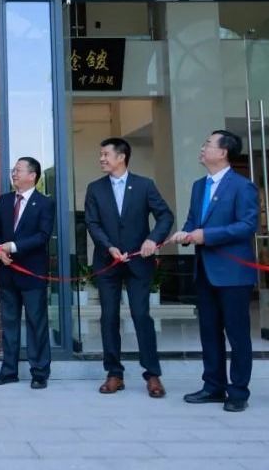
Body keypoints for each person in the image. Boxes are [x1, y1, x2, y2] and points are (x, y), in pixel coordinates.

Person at [171, 130, 258, 412]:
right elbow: (193, 221)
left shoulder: (242, 186)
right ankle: (213, 386)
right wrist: (185, 234)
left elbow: (247, 226)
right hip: (205, 271)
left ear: (223, 153)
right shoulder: (199, 186)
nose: (202, 147)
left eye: (207, 144)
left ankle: (238, 391)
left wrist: (206, 235)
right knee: (209, 332)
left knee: (237, 334)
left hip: (233, 274)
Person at [84, 137, 173, 398]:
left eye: (105, 154)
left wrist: (153, 239)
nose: (101, 158)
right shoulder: (95, 188)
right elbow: (92, 223)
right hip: (108, 261)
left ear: (121, 157)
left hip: (139, 262)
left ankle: (152, 375)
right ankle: (114, 373)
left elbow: (165, 215)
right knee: (109, 317)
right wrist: (109, 247)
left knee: (141, 315)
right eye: (101, 154)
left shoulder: (144, 185)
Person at [0, 157, 55, 389]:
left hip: (32, 274)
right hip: (7, 274)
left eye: (18, 170)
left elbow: (42, 236)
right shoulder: (5, 200)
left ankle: (39, 373)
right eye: (13, 170)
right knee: (9, 324)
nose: (14, 173)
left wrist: (13, 247)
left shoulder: (44, 203)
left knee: (36, 324)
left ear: (32, 175)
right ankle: (9, 371)